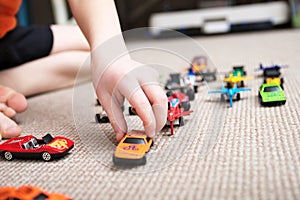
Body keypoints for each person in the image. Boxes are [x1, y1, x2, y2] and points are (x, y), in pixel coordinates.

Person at [0, 0, 168, 141]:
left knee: (92, 42)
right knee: (89, 56)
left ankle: (7, 80)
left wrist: (112, 54)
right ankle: (8, 81)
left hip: (4, 31)